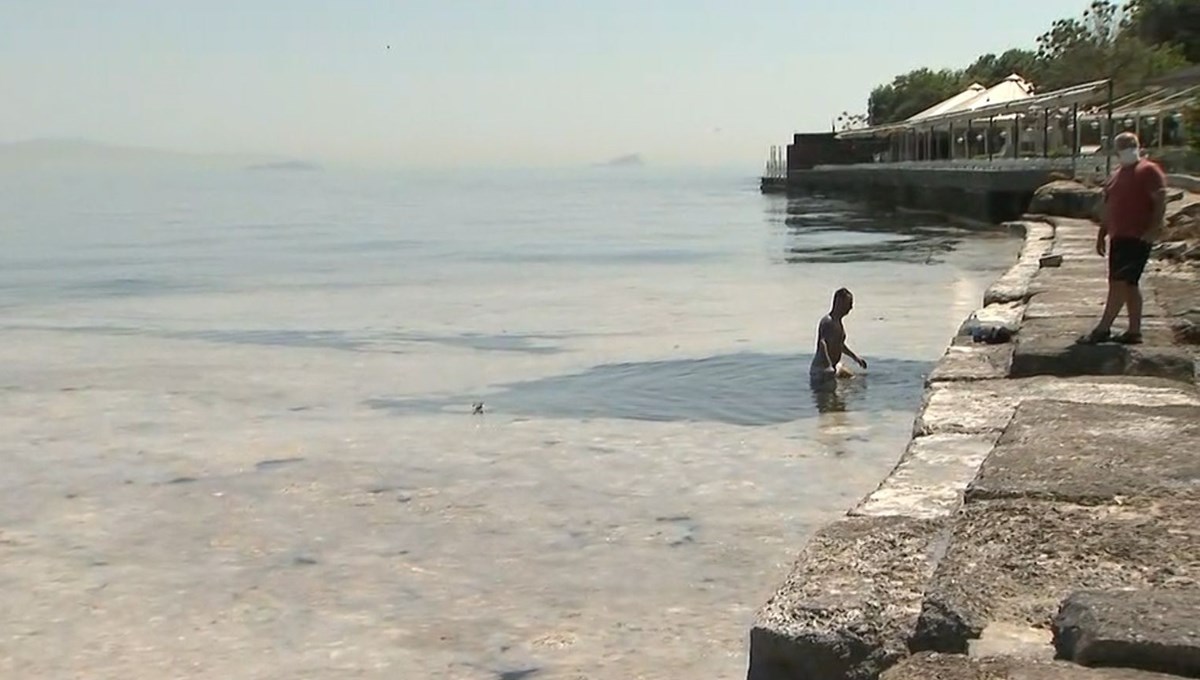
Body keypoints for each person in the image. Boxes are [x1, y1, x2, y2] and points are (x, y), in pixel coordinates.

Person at [1077, 132, 1168, 345]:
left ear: (1137, 145)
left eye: (1129, 144)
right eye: (1122, 145)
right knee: (1128, 284)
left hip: (1136, 235)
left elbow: (1160, 199)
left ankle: (1103, 329)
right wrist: (1102, 233)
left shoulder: (1148, 170)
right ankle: (1134, 331)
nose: (1126, 148)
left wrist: (1155, 227)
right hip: (1119, 235)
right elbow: (1109, 206)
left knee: (1118, 282)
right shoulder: (1118, 173)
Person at [810, 288, 868, 382]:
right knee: (830, 396)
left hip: (833, 367)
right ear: (840, 303)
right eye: (849, 303)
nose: (851, 307)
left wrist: (856, 358)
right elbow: (822, 344)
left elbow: (840, 345)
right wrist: (828, 366)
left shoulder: (838, 322)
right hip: (822, 371)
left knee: (855, 379)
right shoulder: (828, 322)